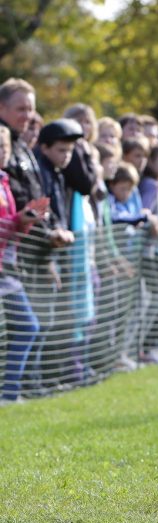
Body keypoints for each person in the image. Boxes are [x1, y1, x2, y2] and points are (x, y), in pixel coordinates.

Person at [0, 125, 43, 404]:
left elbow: (11, 223)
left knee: (28, 325)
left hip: (5, 267)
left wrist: (26, 220)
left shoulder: (4, 180)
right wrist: (19, 220)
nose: (2, 153)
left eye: (4, 148)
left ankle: (10, 392)